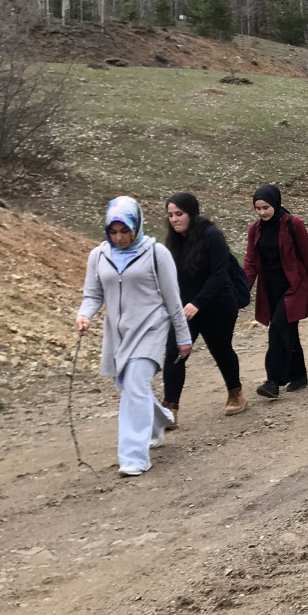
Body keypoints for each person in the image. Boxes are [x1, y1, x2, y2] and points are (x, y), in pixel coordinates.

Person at [77, 197, 191, 478]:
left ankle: (133, 457)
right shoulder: (98, 255)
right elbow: (93, 294)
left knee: (135, 384)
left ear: (136, 226)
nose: (119, 238)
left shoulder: (157, 253)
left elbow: (172, 299)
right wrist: (85, 315)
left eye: (124, 231)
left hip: (151, 328)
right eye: (113, 232)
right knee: (132, 387)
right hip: (118, 333)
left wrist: (183, 336)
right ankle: (161, 419)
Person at [164, 192, 246, 420]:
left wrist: (197, 303)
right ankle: (170, 408)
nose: (174, 219)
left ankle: (235, 392)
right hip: (187, 309)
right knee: (175, 351)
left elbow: (219, 275)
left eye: (179, 214)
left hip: (217, 305)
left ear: (191, 213)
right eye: (170, 215)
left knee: (221, 350)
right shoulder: (173, 241)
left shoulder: (212, 236)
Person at [244, 185, 308, 398]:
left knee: (278, 329)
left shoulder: (294, 224)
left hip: (294, 287)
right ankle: (299, 375)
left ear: (276, 203)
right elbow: (250, 263)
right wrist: (242, 292)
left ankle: (273, 381)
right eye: (258, 208)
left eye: (266, 207)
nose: (262, 212)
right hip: (269, 289)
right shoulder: (255, 229)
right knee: (287, 331)